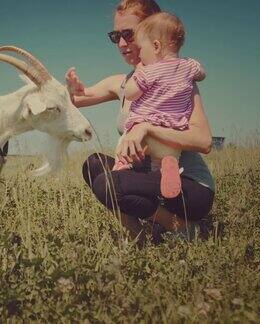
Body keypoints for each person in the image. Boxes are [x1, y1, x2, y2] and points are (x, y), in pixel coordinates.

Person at [66, 0, 215, 244]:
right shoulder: (123, 82)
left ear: (153, 33)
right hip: (148, 180)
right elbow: (75, 99)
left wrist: (147, 129)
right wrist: (70, 88)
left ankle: (182, 227)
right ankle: (140, 238)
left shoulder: (178, 79)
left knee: (110, 184)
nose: (122, 43)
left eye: (129, 34)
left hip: (188, 187)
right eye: (116, 36)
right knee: (94, 166)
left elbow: (203, 141)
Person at [112, 12, 206, 201]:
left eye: (141, 48)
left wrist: (139, 73)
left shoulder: (149, 71)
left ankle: (122, 164)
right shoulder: (188, 66)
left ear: (155, 46)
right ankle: (167, 165)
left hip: (146, 130)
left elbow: (130, 92)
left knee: (125, 143)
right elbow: (202, 73)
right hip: (172, 134)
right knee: (162, 162)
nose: (140, 54)